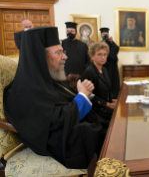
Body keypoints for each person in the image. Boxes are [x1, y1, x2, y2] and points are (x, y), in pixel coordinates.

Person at [3, 27, 110, 169]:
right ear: (40, 57)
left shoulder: (48, 81)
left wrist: (84, 94)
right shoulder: (23, 90)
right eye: (59, 52)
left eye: (63, 51)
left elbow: (65, 106)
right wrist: (83, 95)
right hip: (57, 143)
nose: (65, 56)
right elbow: (57, 121)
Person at [81, 42, 117, 120]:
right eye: (99, 54)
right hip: (96, 111)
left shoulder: (104, 69)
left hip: (105, 108)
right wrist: (107, 104)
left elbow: (108, 90)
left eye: (105, 54)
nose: (103, 57)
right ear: (92, 56)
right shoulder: (89, 72)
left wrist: (114, 100)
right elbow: (89, 96)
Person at [100, 27, 120, 98]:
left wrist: (112, 42)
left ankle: (115, 97)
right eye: (103, 35)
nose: (105, 36)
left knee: (113, 82)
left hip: (112, 67)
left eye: (106, 35)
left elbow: (116, 50)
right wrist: (101, 45)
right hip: (103, 67)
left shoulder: (112, 43)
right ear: (101, 36)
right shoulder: (99, 44)